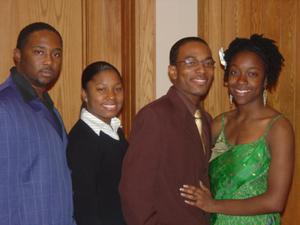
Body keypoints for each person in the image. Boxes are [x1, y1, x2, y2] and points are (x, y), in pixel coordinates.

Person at [180, 34, 295, 225]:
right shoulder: (219, 124)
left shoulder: (278, 128)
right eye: (234, 72)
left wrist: (213, 205)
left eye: (252, 74)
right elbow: (192, 166)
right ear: (226, 78)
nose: (241, 80)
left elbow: (276, 201)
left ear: (266, 80)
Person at [119, 36, 215, 225]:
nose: (202, 70)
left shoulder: (206, 119)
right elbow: (133, 192)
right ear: (173, 72)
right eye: (190, 62)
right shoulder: (155, 116)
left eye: (208, 63)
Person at [0, 22, 74, 225]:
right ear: (17, 55)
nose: (49, 61)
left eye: (56, 54)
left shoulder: (50, 108)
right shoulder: (4, 108)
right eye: (39, 52)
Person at [67, 61, 128, 225]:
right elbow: (84, 205)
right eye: (101, 89)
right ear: (85, 94)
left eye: (118, 89)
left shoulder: (115, 130)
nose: (111, 96)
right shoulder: (82, 140)